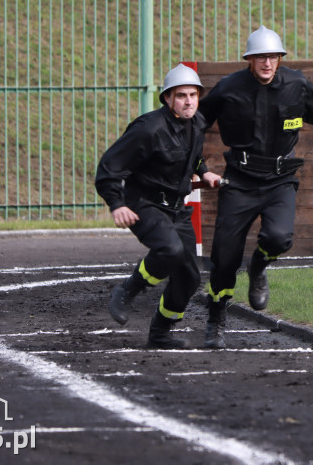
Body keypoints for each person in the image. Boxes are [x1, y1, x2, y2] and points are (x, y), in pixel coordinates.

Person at [198, 26, 313, 349]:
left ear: (280, 59)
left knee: (279, 238)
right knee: (224, 257)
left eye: (272, 57)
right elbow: (196, 122)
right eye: (260, 57)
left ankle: (258, 266)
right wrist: (199, 168)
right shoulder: (228, 88)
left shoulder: (296, 84)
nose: (267, 63)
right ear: (249, 60)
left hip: (280, 179)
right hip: (239, 179)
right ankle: (216, 320)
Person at [94, 63, 222, 348]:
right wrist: (117, 204)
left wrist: (205, 173)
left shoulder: (198, 122)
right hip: (144, 204)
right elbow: (109, 167)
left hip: (178, 209)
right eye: (181, 95)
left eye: (193, 95)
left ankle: (160, 333)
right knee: (169, 250)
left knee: (189, 277)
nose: (188, 101)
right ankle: (127, 290)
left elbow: (195, 156)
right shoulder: (148, 128)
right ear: (167, 98)